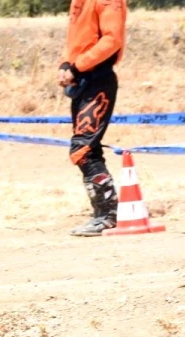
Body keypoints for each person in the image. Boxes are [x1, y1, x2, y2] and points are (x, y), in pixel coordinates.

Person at [58, 0, 127, 236]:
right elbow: (75, 38)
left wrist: (76, 67)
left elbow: (112, 40)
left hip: (98, 80)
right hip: (82, 81)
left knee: (83, 150)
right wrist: (66, 64)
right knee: (88, 149)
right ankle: (104, 214)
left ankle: (107, 216)